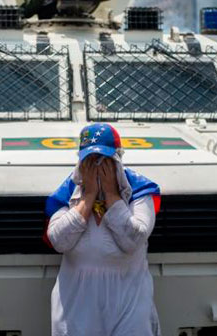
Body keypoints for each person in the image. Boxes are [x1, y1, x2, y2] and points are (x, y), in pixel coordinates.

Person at [45, 123, 162, 336]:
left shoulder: (140, 192)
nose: (97, 168)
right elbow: (59, 240)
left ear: (118, 160)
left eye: (104, 162)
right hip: (77, 307)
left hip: (128, 303)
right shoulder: (68, 193)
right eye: (90, 162)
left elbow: (132, 240)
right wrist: (87, 198)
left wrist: (112, 195)